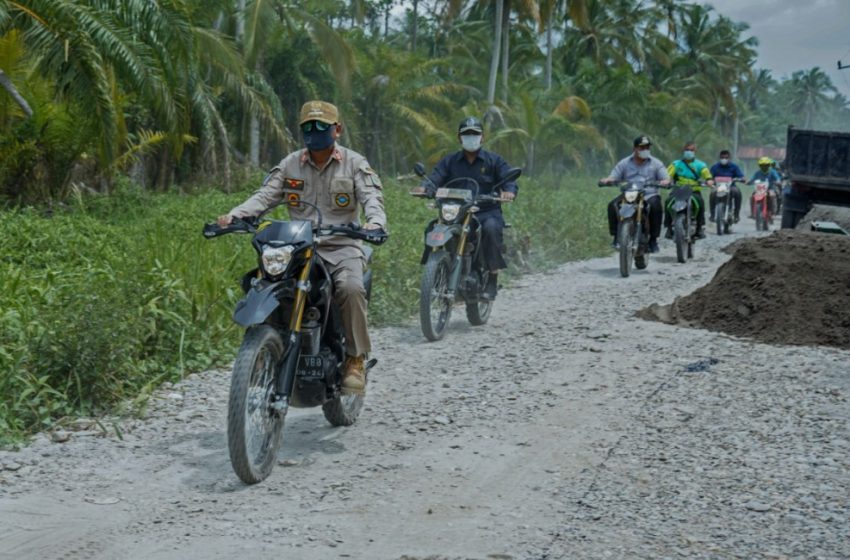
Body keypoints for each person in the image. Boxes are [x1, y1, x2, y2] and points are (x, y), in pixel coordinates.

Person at [217, 100, 386, 395]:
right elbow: (265, 195)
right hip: (297, 246)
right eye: (308, 125)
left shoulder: (355, 163)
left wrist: (374, 222)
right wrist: (236, 214)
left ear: (337, 130)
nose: (314, 130)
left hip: (340, 245)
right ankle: (265, 348)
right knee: (261, 282)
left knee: (350, 288)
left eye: (321, 125)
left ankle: (355, 359)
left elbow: (372, 197)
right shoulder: (290, 163)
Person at [421, 116, 518, 300]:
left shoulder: (494, 161)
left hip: (485, 211)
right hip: (457, 211)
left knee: (491, 229)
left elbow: (509, 179)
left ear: (482, 137)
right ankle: (431, 274)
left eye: (475, 134)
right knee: (433, 228)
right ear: (459, 138)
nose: (471, 137)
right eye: (467, 134)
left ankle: (492, 280)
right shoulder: (449, 161)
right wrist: (426, 188)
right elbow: (436, 177)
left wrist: (508, 191)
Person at [600, 135, 670, 253]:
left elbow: (666, 178)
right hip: (630, 193)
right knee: (612, 205)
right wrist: (607, 180)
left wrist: (665, 182)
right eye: (641, 147)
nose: (644, 150)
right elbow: (614, 176)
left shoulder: (656, 163)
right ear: (634, 149)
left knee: (656, 206)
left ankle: (653, 239)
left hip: (649, 194)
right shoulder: (624, 163)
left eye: (647, 147)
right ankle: (616, 236)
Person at [664, 140, 714, 239]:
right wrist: (666, 181)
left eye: (691, 150)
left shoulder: (701, 165)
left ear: (695, 151)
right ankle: (668, 228)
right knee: (668, 202)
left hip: (693, 190)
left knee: (700, 202)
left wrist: (709, 181)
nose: (689, 152)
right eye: (687, 150)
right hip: (678, 190)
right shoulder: (676, 164)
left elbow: (707, 175)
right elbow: (667, 175)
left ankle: (699, 228)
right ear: (683, 150)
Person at [709, 149, 745, 223]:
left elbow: (741, 176)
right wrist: (710, 181)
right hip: (718, 186)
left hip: (731, 186)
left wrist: (742, 179)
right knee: (712, 193)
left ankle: (736, 214)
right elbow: (709, 177)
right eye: (722, 158)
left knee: (737, 192)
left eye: (726, 158)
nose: (724, 159)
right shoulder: (715, 167)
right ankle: (712, 214)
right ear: (719, 158)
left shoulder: (734, 167)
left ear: (729, 158)